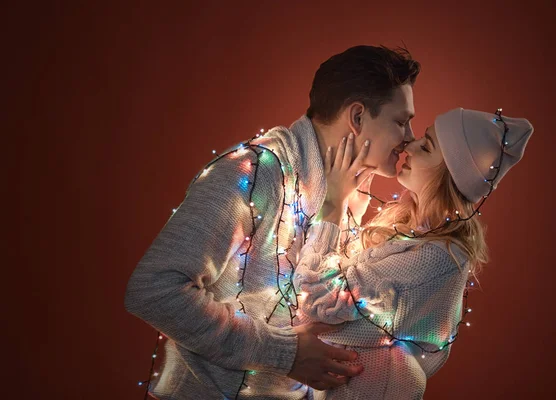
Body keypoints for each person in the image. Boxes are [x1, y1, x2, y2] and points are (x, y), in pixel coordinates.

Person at [124, 45, 420, 399]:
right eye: (401, 121)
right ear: (357, 117)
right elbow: (155, 290)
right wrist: (285, 353)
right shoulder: (253, 173)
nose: (410, 137)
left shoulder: (353, 196)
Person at [293, 108, 534, 399]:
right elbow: (344, 294)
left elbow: (318, 300)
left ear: (449, 173)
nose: (410, 145)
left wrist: (333, 204)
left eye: (427, 145)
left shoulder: (439, 258)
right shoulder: (411, 230)